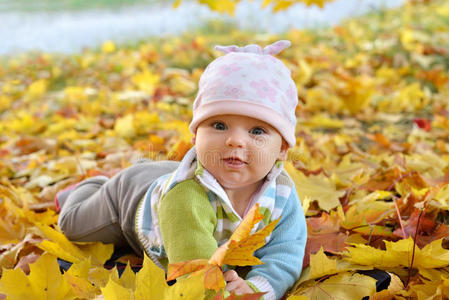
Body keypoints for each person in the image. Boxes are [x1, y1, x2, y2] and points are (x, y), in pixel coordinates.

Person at [56, 40, 307, 300]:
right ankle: (92, 186)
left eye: (257, 131)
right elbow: (195, 275)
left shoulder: (281, 193)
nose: (235, 140)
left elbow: (286, 250)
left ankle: (149, 169)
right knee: (73, 225)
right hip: (127, 199)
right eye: (219, 125)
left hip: (166, 172)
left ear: (282, 149)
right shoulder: (185, 197)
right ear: (196, 135)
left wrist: (259, 288)